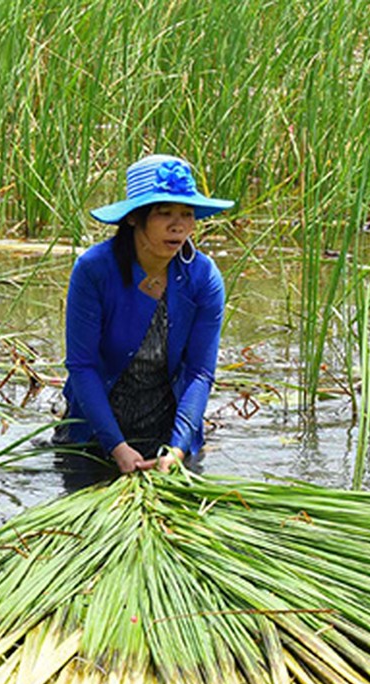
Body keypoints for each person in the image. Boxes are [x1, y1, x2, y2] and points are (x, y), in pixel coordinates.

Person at [54, 154, 233, 481]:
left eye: (186, 214)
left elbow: (199, 372)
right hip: (94, 434)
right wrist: (116, 446)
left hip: (167, 435)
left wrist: (177, 448)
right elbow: (82, 366)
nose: (179, 226)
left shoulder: (203, 278)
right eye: (164, 213)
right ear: (135, 218)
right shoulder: (94, 271)